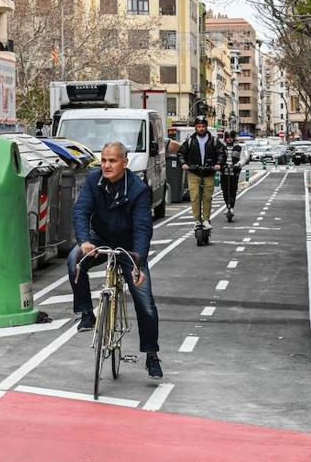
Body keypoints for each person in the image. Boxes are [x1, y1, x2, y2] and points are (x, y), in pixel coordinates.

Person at [68, 140, 163, 379]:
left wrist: (138, 263)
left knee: (146, 302)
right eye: (104, 160)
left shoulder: (138, 189)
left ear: (124, 163)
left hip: (129, 247)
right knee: (74, 260)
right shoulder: (93, 181)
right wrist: (84, 242)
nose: (107, 165)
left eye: (112, 161)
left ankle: (151, 354)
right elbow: (81, 211)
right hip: (98, 238)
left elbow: (143, 228)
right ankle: (86, 313)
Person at [178, 116, 222, 229]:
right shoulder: (189, 141)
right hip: (194, 172)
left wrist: (218, 164)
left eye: (203, 126)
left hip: (209, 172)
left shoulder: (214, 140)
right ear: (195, 128)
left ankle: (206, 219)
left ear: (206, 127)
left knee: (207, 197)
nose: (201, 128)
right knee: (195, 197)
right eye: (199, 126)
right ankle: (197, 220)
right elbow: (181, 153)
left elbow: (221, 153)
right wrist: (183, 164)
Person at [219, 130, 245, 221]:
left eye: (231, 137)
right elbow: (218, 158)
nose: (229, 139)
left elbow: (243, 158)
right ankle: (227, 205)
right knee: (225, 190)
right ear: (225, 138)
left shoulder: (239, 148)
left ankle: (232, 206)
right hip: (224, 172)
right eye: (227, 137)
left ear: (233, 138)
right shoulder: (221, 148)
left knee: (233, 190)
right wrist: (220, 165)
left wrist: (239, 164)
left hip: (234, 172)